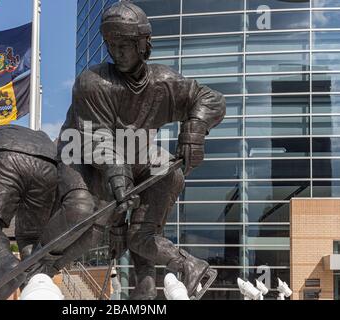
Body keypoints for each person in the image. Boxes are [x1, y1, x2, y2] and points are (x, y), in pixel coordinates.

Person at [36, 1, 225, 300]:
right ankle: (38, 267)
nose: (117, 51)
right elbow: (95, 136)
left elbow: (210, 99)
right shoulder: (93, 83)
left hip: (129, 159)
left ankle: (181, 268)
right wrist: (119, 179)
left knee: (161, 190)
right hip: (80, 155)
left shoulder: (164, 83)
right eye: (112, 44)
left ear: (143, 44)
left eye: (125, 44)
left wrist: (194, 131)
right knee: (85, 216)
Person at [0, 124, 60, 300]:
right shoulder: (43, 138)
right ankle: (32, 283)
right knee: (30, 238)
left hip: (7, 154)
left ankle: (4, 264)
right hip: (49, 164)